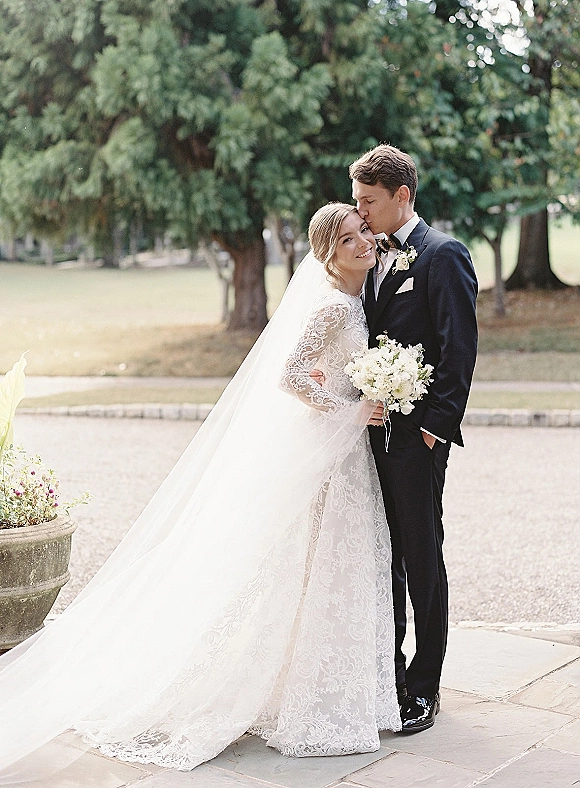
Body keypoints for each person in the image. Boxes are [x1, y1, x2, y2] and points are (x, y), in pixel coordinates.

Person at [0, 203, 400, 784]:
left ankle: (320, 693)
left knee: (330, 573)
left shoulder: (354, 297)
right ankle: (306, 704)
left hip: (340, 454)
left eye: (363, 229)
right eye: (348, 237)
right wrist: (350, 409)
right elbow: (289, 374)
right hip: (329, 455)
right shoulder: (333, 306)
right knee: (315, 571)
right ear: (328, 254)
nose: (363, 239)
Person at [349, 144, 478, 733]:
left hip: (416, 438)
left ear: (402, 196)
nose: (362, 213)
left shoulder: (443, 255)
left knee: (421, 555)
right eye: (357, 201)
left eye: (369, 202)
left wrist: (433, 430)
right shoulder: (371, 257)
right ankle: (388, 674)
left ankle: (424, 686)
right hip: (368, 435)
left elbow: (459, 352)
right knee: (383, 556)